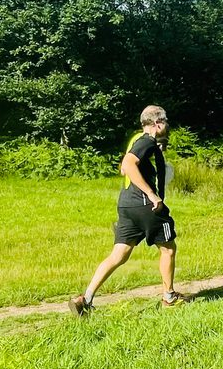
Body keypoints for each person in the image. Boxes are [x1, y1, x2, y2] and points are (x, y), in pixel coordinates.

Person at [69, 105, 182, 315]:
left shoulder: (137, 140)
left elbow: (123, 168)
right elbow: (128, 164)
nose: (167, 126)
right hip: (145, 205)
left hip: (127, 204)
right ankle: (169, 297)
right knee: (168, 248)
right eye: (165, 122)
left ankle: (85, 298)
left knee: (119, 254)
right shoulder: (147, 141)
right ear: (158, 124)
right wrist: (151, 193)